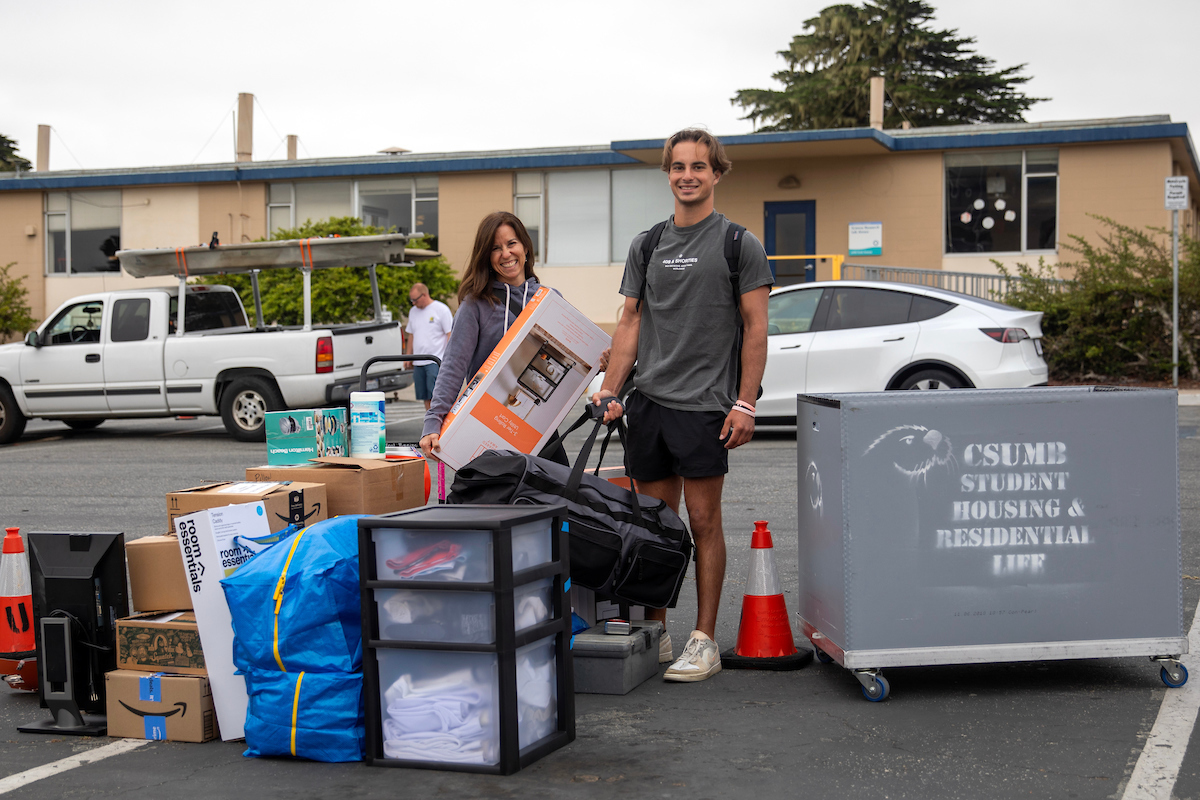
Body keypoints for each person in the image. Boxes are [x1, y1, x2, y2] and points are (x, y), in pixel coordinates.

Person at [592, 128, 772, 683]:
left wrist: (745, 403)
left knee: (703, 522)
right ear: (667, 173)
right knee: (653, 526)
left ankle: (705, 639)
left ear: (716, 173)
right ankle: (658, 631)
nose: (688, 175)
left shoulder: (738, 243)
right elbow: (630, 321)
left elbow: (756, 328)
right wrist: (610, 388)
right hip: (649, 404)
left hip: (705, 408)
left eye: (699, 166)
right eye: (678, 167)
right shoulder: (647, 245)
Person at [419, 212, 565, 460]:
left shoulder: (550, 300)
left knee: (558, 497)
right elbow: (454, 366)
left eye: (512, 244)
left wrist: (600, 363)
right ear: (487, 257)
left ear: (526, 248)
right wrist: (433, 422)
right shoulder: (475, 304)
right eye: (496, 248)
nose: (506, 254)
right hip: (488, 426)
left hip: (539, 429)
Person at [404, 282, 453, 411]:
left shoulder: (441, 309)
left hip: (435, 359)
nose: (413, 303)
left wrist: (448, 357)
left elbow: (450, 333)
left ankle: (441, 423)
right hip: (419, 361)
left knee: (436, 395)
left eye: (415, 300)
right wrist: (408, 356)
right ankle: (430, 422)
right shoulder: (413, 311)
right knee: (425, 396)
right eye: (411, 300)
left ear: (424, 295)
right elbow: (411, 334)